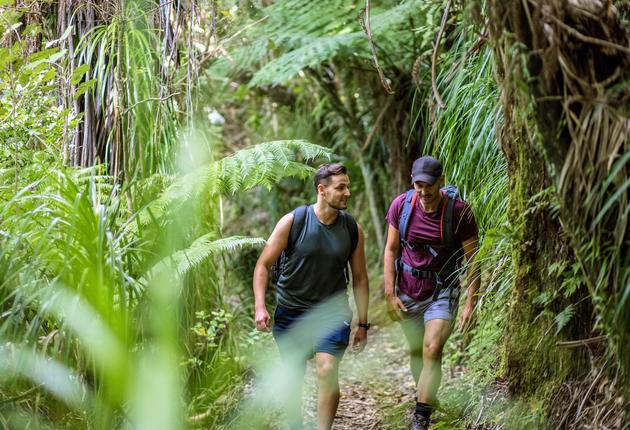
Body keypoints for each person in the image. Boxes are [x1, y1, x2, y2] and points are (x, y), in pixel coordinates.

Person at [253, 163, 370, 430]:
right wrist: (260, 306)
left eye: (348, 186)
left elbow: (361, 279)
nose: (347, 192)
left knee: (327, 369)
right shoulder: (293, 221)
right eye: (341, 187)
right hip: (292, 311)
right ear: (322, 190)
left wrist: (363, 324)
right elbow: (263, 265)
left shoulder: (352, 229)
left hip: (333, 312)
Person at [383, 156, 480, 430]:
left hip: (442, 289)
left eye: (429, 185)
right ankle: (428, 397)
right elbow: (391, 250)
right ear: (412, 183)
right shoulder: (401, 206)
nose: (423, 192)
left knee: (433, 348)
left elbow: (474, 260)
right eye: (418, 185)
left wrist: (470, 303)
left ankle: (420, 418)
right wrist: (390, 293)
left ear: (441, 181)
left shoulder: (460, 212)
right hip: (408, 289)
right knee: (418, 353)